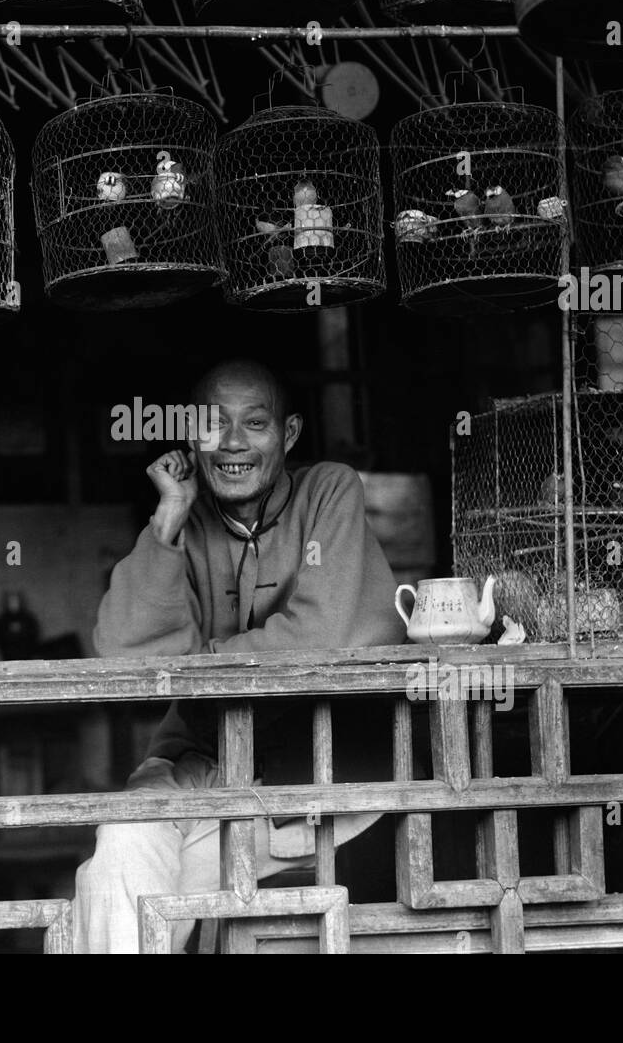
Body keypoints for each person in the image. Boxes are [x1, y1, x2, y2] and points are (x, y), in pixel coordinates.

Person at [72, 358, 408, 953]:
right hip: (201, 763)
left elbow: (323, 636)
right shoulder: (186, 522)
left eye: (255, 424)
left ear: (290, 434)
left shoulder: (328, 489)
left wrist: (201, 661)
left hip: (314, 778)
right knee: (121, 846)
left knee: (145, 903)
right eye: (213, 425)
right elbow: (126, 653)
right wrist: (168, 518)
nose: (232, 443)